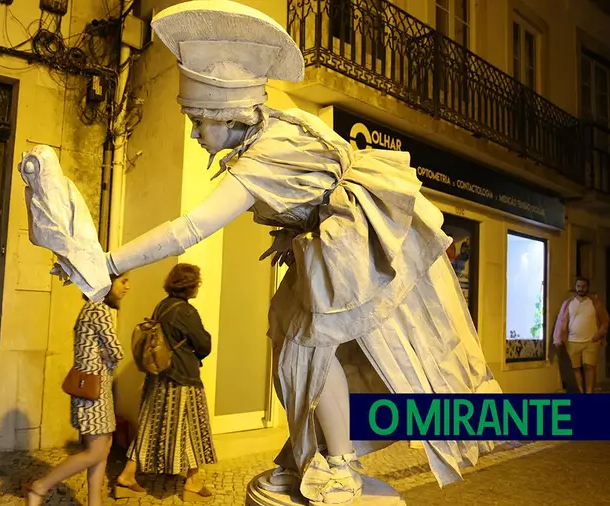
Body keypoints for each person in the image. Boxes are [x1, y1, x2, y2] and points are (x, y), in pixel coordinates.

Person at [87, 2, 500, 504]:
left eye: (198, 122)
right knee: (294, 342)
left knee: (307, 347)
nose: (195, 134)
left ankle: (339, 463)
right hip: (333, 246)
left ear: (226, 114)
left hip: (347, 246)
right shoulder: (284, 123)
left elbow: (189, 229)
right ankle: (315, 452)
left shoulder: (261, 159)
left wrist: (109, 261)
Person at [26, 274, 130, 506]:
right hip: (95, 393)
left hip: (95, 390)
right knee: (95, 451)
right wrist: (109, 358)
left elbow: (103, 352)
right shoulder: (98, 310)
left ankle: (95, 502)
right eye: (123, 281)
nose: (127, 286)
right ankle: (39, 487)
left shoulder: (90, 308)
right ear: (105, 281)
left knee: (103, 448)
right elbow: (117, 352)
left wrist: (106, 357)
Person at [116, 264, 217, 502]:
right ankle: (192, 481)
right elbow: (204, 345)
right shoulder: (186, 312)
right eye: (197, 283)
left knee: (150, 426)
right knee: (194, 426)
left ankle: (129, 474)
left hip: (158, 377)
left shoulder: (163, 305)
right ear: (191, 285)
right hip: (182, 378)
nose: (198, 287)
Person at [553, 277, 609, 393]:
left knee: (589, 367)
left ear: (587, 287)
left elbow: (605, 321)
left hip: (591, 341)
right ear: (575, 287)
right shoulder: (568, 303)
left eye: (583, 286)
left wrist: (598, 335)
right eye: (578, 286)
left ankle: (589, 393)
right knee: (575, 368)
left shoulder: (595, 303)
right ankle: (581, 393)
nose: (581, 289)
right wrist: (559, 339)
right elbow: (560, 322)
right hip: (572, 341)